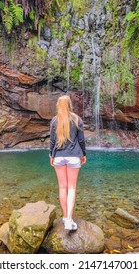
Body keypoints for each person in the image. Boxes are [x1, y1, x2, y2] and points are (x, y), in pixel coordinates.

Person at [49, 95, 86, 231]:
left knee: (62, 188)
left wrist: (51, 155)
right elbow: (81, 140)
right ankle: (69, 220)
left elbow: (52, 141)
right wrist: (83, 154)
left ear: (58, 105)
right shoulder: (77, 119)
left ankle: (65, 217)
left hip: (58, 156)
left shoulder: (54, 121)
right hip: (74, 156)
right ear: (70, 105)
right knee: (71, 188)